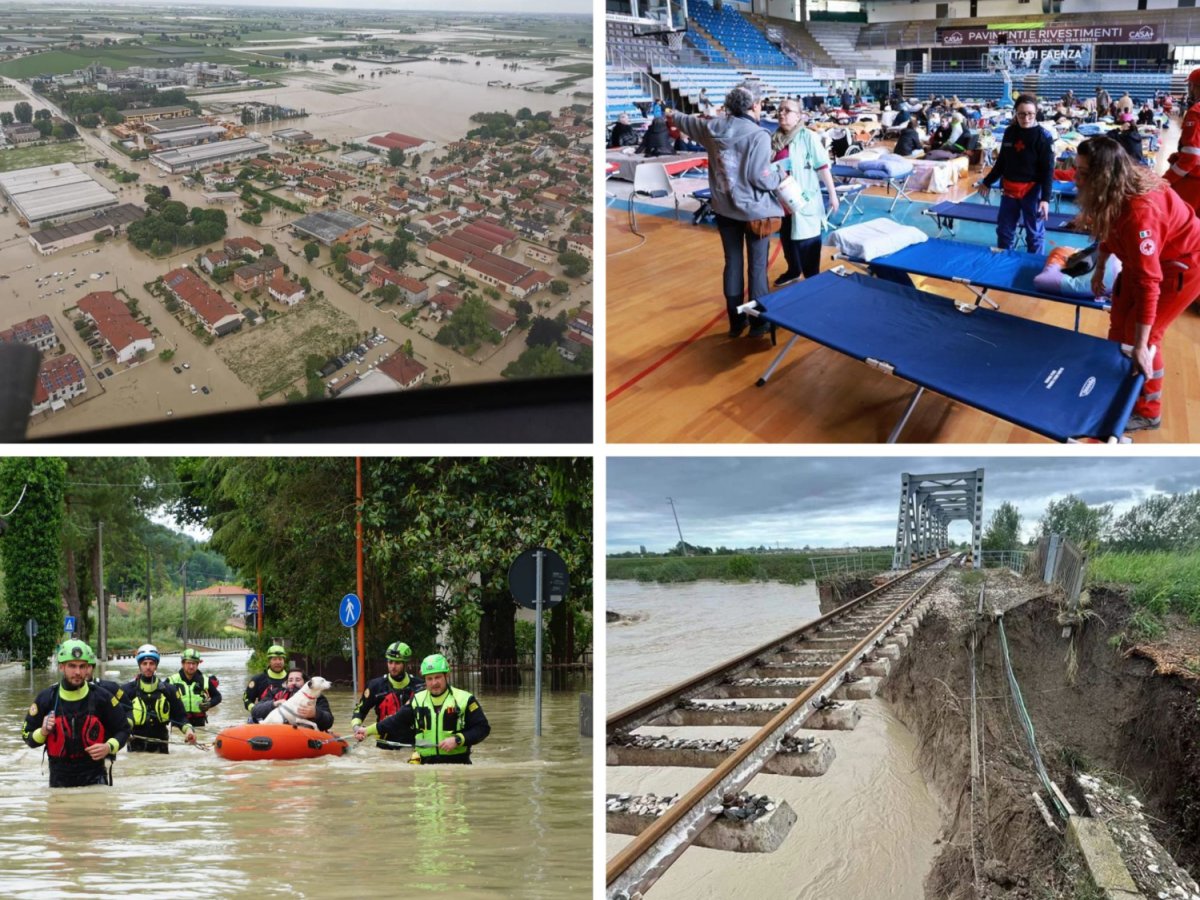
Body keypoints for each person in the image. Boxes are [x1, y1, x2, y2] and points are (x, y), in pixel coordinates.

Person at [1074, 136, 1200, 433]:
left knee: (1140, 336)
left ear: (1103, 175)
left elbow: (1149, 283)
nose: (1076, 178)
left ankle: (1148, 411)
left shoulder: (1141, 212)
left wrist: (1142, 345)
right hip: (1144, 262)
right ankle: (1117, 390)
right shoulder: (1115, 188)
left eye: (1083, 173)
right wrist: (1100, 266)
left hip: (1182, 266)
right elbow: (1108, 223)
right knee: (1118, 327)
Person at [670, 80, 783, 338]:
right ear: (755, 105)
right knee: (757, 267)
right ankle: (758, 324)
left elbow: (681, 120)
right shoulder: (758, 135)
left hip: (723, 208)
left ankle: (736, 321)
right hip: (755, 212)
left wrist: (671, 113)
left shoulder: (711, 127)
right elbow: (760, 177)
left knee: (732, 263)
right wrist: (781, 176)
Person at [23, 640, 130, 787]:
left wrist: (109, 747)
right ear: (61, 667)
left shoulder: (102, 697)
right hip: (59, 782)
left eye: (82, 666)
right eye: (72, 666)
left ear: (88, 668)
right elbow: (26, 736)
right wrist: (42, 732)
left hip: (95, 780)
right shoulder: (46, 698)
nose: (78, 672)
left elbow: (124, 729)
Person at [354, 654, 489, 765]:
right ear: (424, 680)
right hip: (424, 764)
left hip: (457, 763)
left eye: (438, 677)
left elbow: (483, 728)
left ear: (446, 676)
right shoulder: (417, 700)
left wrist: (458, 740)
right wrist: (367, 731)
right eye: (429, 679)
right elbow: (394, 721)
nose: (434, 683)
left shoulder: (465, 699)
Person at [770, 99, 838, 287]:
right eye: (780, 110)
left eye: (787, 110)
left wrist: (833, 195)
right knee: (787, 240)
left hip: (804, 201)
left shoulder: (808, 136)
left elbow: (823, 166)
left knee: (807, 242)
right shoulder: (774, 139)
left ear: (798, 115)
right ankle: (793, 271)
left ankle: (812, 281)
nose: (782, 113)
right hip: (782, 202)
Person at [978, 94, 1054, 254]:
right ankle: (1004, 262)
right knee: (1004, 232)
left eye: (1030, 114)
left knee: (1034, 234)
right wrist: (987, 181)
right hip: (1009, 190)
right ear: (1015, 113)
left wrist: (1045, 199)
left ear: (1036, 113)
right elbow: (1002, 162)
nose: (1026, 118)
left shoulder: (1044, 137)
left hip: (1032, 191)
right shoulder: (1010, 132)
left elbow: (1048, 170)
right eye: (1021, 114)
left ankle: (1033, 267)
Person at [120, 644, 195, 753]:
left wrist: (189, 731)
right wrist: (123, 732)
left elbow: (181, 717)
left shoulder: (170, 690)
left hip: (161, 745)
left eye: (151, 663)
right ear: (139, 665)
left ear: (156, 666)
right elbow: (117, 718)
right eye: (144, 663)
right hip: (135, 746)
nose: (148, 667)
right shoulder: (127, 690)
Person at [350, 641, 424, 750]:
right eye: (390, 662)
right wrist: (357, 728)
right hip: (384, 745)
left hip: (413, 745)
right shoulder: (375, 686)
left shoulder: (419, 686)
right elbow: (359, 711)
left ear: (405, 664)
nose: (393, 667)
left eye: (397, 663)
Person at [249, 668, 334, 730]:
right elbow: (255, 711)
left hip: (302, 735)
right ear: (286, 683)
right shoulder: (275, 693)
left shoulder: (318, 698)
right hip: (275, 731)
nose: (294, 682)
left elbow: (329, 721)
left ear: (305, 683)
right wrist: (273, 704)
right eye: (290, 680)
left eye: (298, 679)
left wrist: (316, 713)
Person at [1164, 69, 1200, 212]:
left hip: (1194, 181)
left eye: (1190, 85)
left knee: (1183, 222)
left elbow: (1191, 156)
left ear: (1195, 87)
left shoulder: (1196, 112)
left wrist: (1166, 180)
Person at [169, 648, 221, 729]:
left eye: (194, 663)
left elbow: (218, 697)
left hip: (199, 722)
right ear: (182, 663)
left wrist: (209, 704)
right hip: (178, 723)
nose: (191, 666)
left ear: (198, 664)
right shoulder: (172, 680)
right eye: (188, 663)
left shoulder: (205, 680)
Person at [243, 643, 289, 712]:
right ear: (269, 661)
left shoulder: (291, 678)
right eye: (274, 659)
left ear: (284, 661)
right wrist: (255, 710)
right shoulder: (258, 679)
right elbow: (247, 699)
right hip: (264, 718)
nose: (278, 662)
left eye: (280, 659)